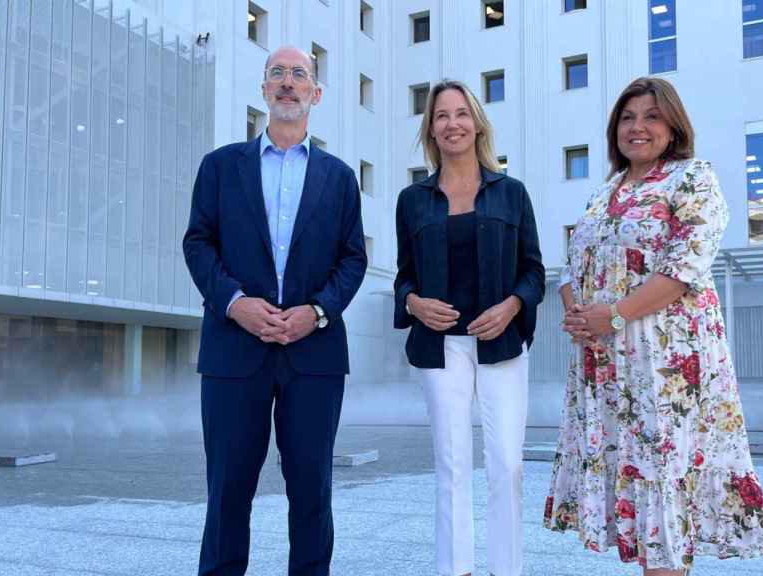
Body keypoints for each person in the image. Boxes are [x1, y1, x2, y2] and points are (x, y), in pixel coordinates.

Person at [544, 77, 763, 575]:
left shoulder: (692, 179)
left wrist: (614, 314)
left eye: (650, 116)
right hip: (608, 364)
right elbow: (572, 268)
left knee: (665, 483)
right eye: (627, 118)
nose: (638, 127)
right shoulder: (604, 192)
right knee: (635, 483)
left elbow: (683, 267)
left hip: (667, 368)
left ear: (673, 126)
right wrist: (580, 315)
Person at [183, 45, 367, 576]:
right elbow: (199, 244)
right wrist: (235, 304)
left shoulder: (338, 177)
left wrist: (319, 311)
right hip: (233, 351)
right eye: (278, 74)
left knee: (312, 494)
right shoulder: (220, 168)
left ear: (316, 93)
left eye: (299, 75)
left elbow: (353, 260)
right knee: (226, 495)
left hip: (315, 357)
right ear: (263, 88)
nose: (288, 82)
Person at [393, 79, 545, 576]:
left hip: (500, 343)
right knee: (452, 466)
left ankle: (507, 570)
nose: (452, 123)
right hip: (441, 349)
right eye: (442, 116)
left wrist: (510, 306)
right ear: (431, 130)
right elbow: (403, 278)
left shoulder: (512, 193)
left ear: (477, 123)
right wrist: (413, 303)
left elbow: (534, 271)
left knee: (507, 464)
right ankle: (455, 570)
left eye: (461, 113)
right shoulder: (412, 200)